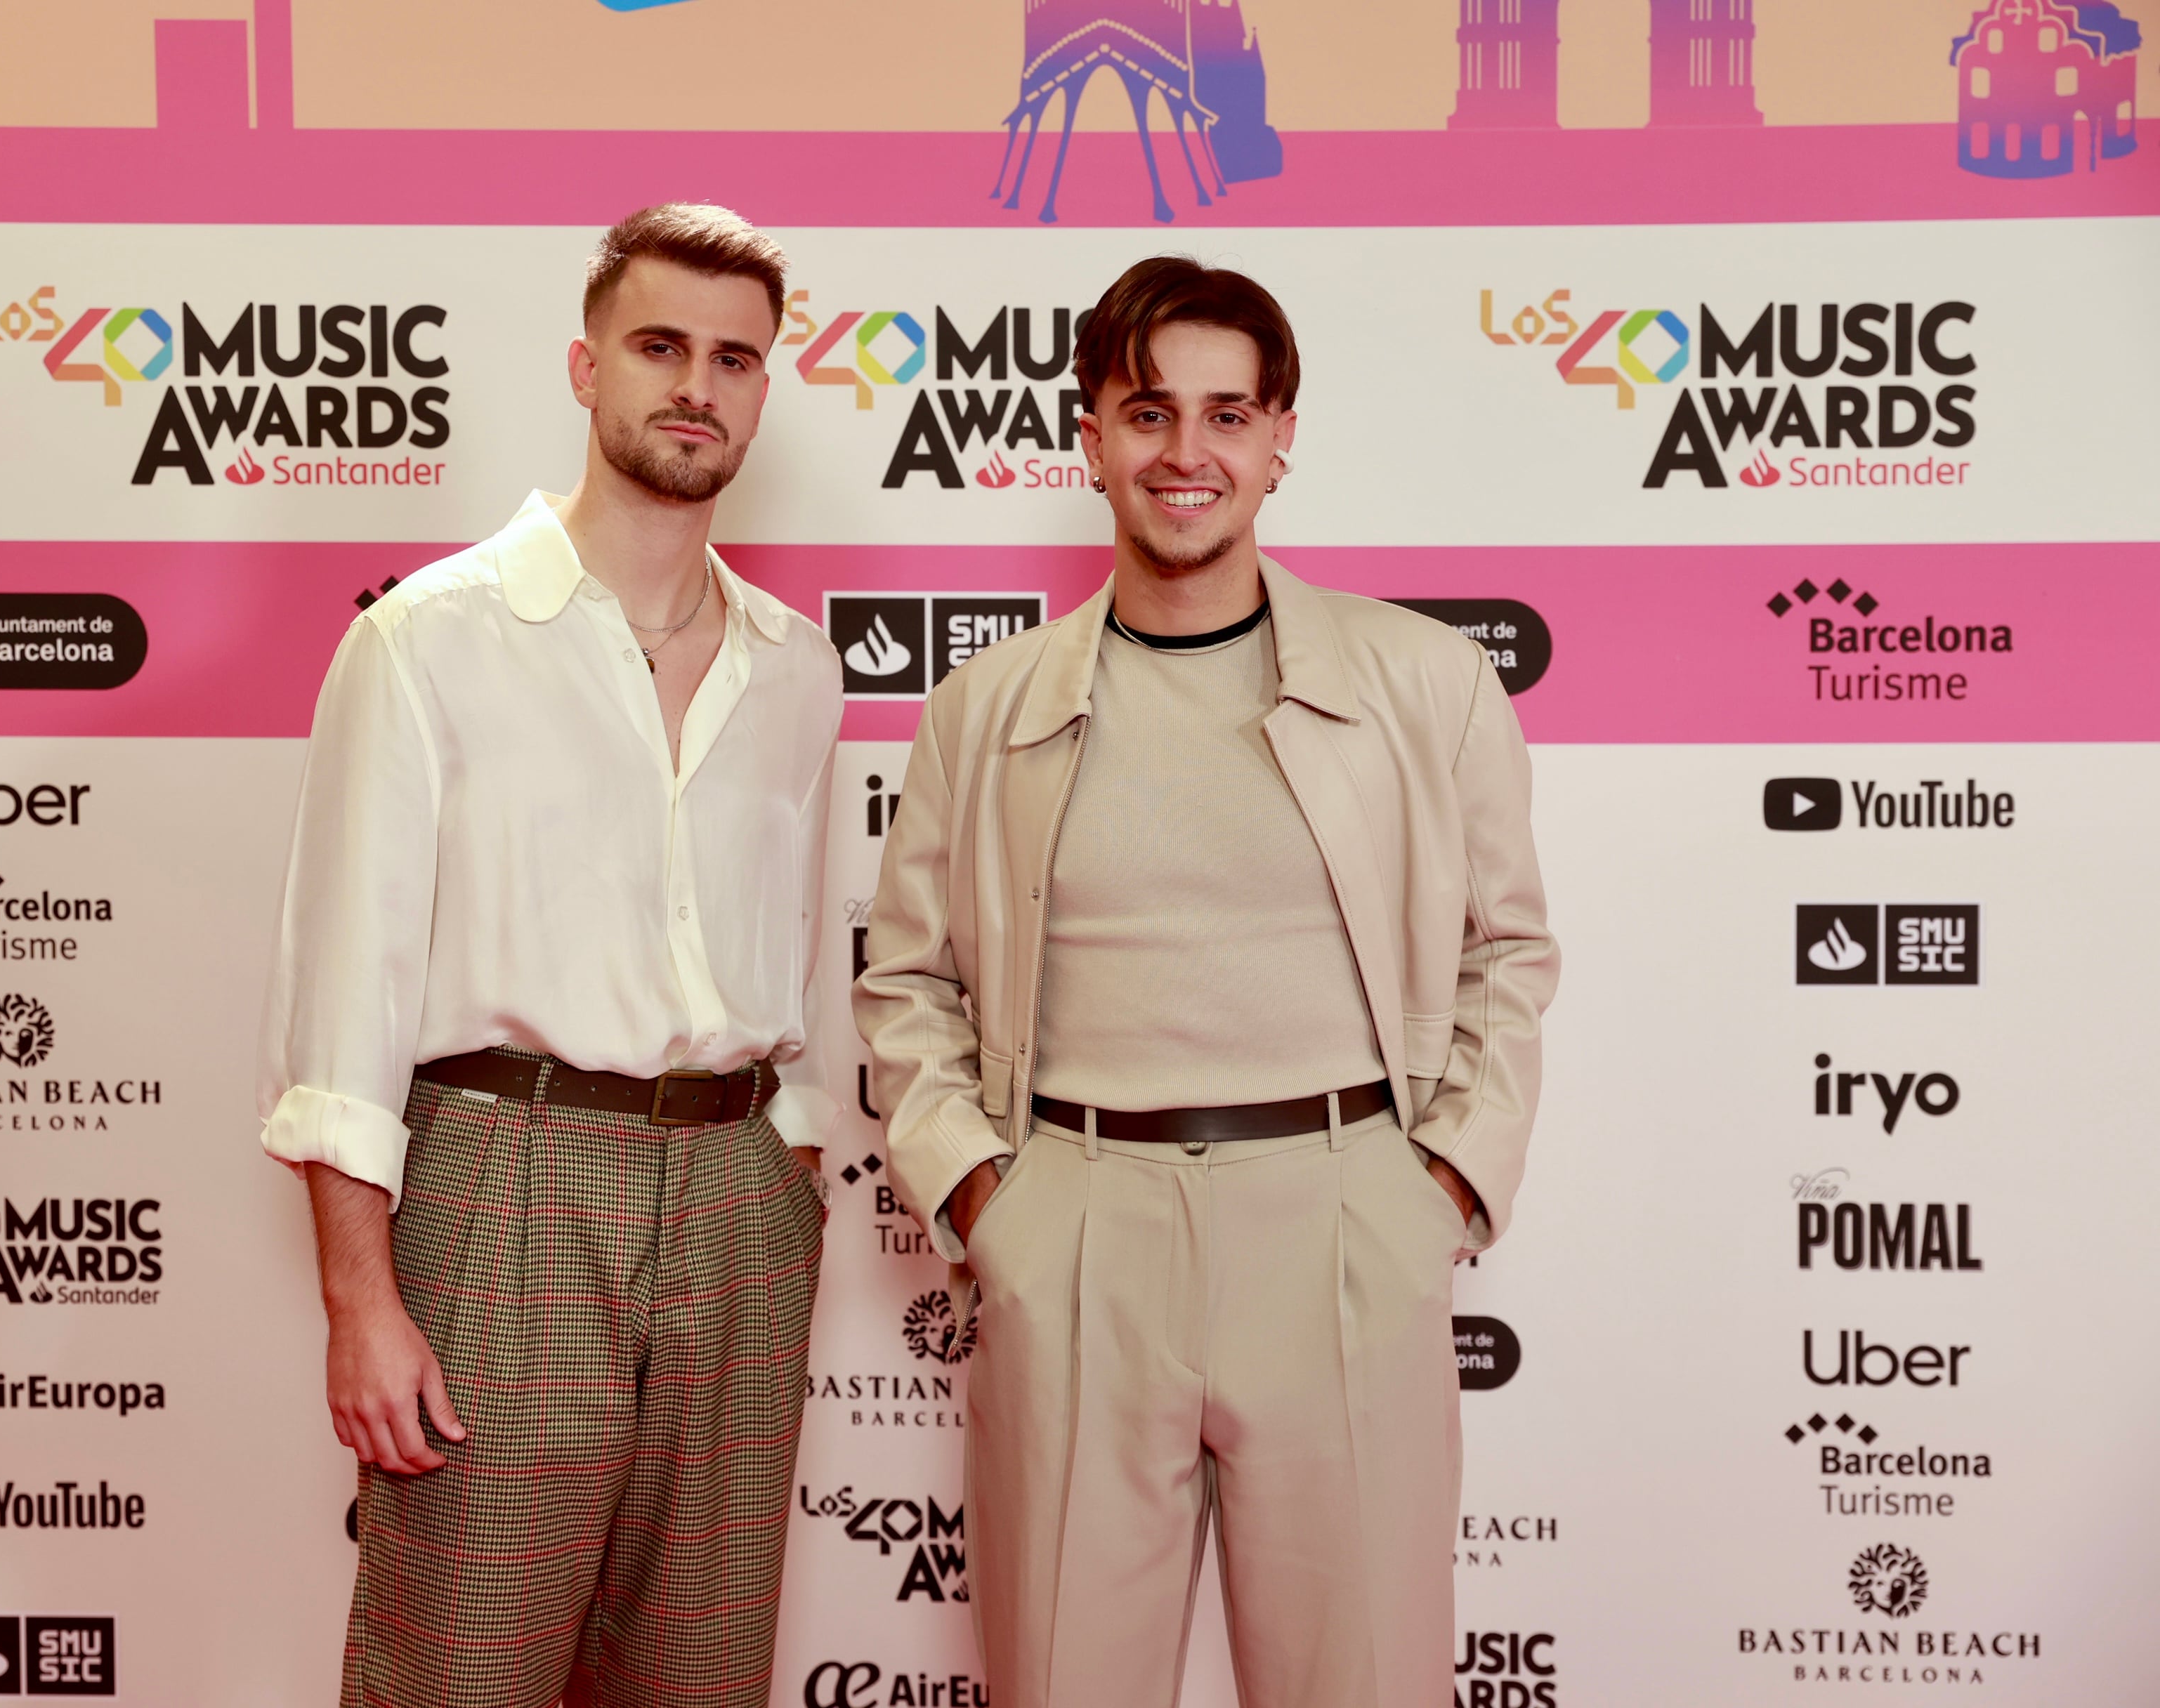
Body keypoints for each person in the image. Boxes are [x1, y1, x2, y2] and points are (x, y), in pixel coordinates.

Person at [853, 255, 1557, 1708]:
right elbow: (905, 977)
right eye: (1149, 412)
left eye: (1228, 414)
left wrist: (1436, 1190)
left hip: (1345, 1213)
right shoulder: (983, 709)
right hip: (1074, 1224)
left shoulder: (1427, 682)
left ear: (1280, 438)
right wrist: (986, 1197)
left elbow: (1505, 953)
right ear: (1092, 438)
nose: (1189, 452)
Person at [258, 203, 841, 1708]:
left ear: (762, 392)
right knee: (462, 1670)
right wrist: (360, 1302)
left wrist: (791, 1164)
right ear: (587, 367)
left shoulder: (798, 668)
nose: (697, 387)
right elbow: (346, 994)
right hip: (506, 1182)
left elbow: (796, 962)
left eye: (735, 359)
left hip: (738, 1204)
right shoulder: (430, 637)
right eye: (661, 347)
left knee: (704, 1673)